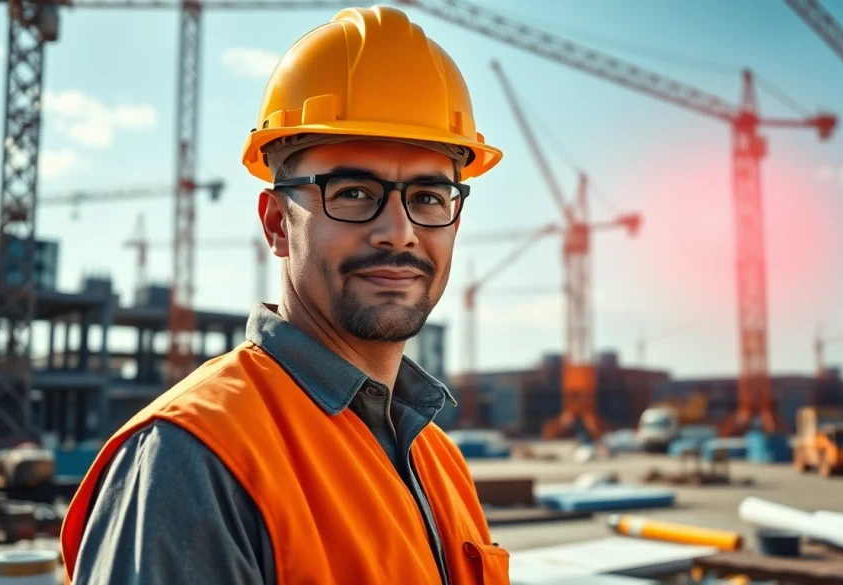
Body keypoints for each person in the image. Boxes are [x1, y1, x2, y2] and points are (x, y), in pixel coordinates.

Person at [59, 5, 508, 584]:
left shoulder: (438, 460)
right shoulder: (196, 458)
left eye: (428, 198)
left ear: (455, 221)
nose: (399, 232)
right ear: (276, 224)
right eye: (352, 192)